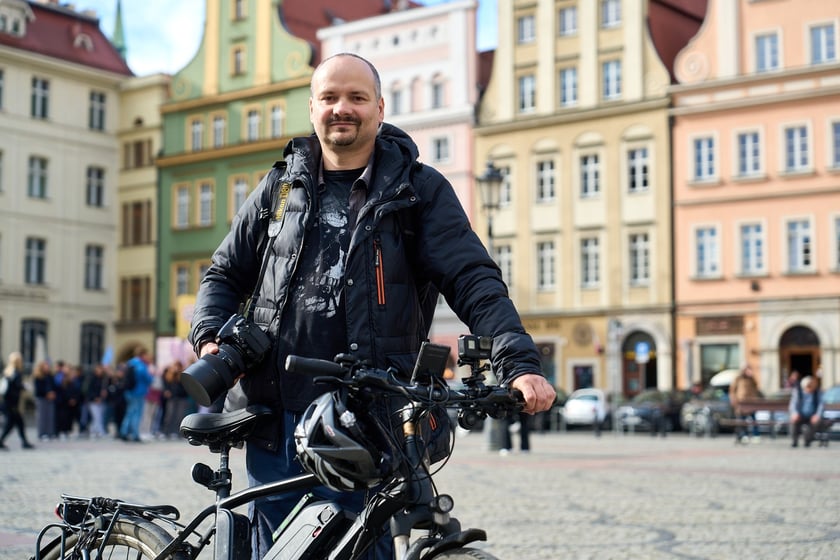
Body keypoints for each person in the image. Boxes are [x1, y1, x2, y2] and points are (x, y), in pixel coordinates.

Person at [188, 53, 556, 558]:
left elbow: (473, 279)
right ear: (313, 108)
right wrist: (211, 337)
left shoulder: (418, 191)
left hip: (371, 420)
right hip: (276, 418)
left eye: (357, 97)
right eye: (330, 98)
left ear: (379, 109)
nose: (343, 108)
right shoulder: (280, 187)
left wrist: (517, 362)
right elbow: (224, 273)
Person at [0, 351, 35, 450]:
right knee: (12, 423)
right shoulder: (16, 373)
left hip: (8, 402)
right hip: (12, 403)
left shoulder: (8, 371)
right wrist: (24, 386)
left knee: (18, 423)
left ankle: (24, 442)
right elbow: (16, 386)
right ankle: (23, 442)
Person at [118, 346, 153, 442]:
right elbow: (148, 379)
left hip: (129, 391)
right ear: (143, 354)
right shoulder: (141, 365)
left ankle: (124, 432)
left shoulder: (130, 363)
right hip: (138, 392)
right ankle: (135, 434)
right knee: (137, 413)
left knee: (129, 412)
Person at [789, 375, 825, 448]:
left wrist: (817, 415)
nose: (810, 388)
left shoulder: (817, 393)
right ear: (804, 386)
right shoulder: (798, 392)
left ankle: (807, 441)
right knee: (793, 421)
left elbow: (821, 405)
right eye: (808, 386)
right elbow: (793, 404)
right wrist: (795, 414)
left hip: (812, 415)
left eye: (811, 386)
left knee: (816, 422)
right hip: (800, 415)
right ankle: (794, 441)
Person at [729, 364, 761, 444]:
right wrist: (734, 400)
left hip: (751, 402)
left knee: (754, 420)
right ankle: (744, 436)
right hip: (742, 403)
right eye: (748, 370)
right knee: (742, 421)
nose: (749, 371)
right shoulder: (738, 379)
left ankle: (756, 435)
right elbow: (732, 390)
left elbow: (756, 388)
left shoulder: (752, 379)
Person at [32, 359, 57, 441]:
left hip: (50, 398)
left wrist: (52, 393)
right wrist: (46, 394)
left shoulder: (50, 376)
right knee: (42, 417)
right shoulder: (38, 377)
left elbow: (54, 386)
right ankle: (42, 433)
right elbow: (38, 389)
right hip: (42, 398)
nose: (47, 367)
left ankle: (50, 433)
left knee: (50, 416)